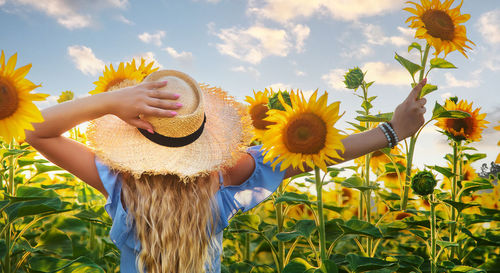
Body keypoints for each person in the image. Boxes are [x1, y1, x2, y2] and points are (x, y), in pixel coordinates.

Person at [25, 70, 427, 273]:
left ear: (135, 129)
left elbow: (33, 127)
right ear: (202, 132)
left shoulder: (119, 183)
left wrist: (112, 100)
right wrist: (391, 131)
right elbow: (313, 153)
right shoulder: (229, 176)